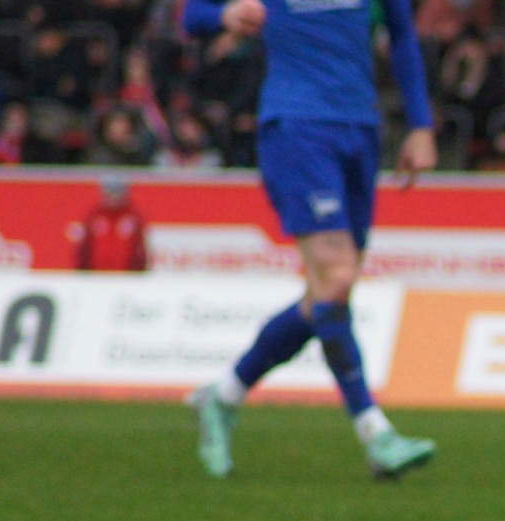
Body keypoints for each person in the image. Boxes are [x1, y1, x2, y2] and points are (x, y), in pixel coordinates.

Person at [180, 0, 439, 480]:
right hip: (296, 126)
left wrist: (420, 125)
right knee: (337, 279)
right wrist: (223, 15)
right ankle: (375, 433)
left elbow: (402, 37)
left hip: (360, 128)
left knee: (325, 294)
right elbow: (192, 15)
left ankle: (224, 395)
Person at [69, 176, 149, 272]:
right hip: (96, 278)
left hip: (125, 279)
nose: (113, 197)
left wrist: (136, 275)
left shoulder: (133, 217)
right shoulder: (94, 216)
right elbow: (84, 248)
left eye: (116, 193)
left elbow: (140, 250)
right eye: (110, 193)